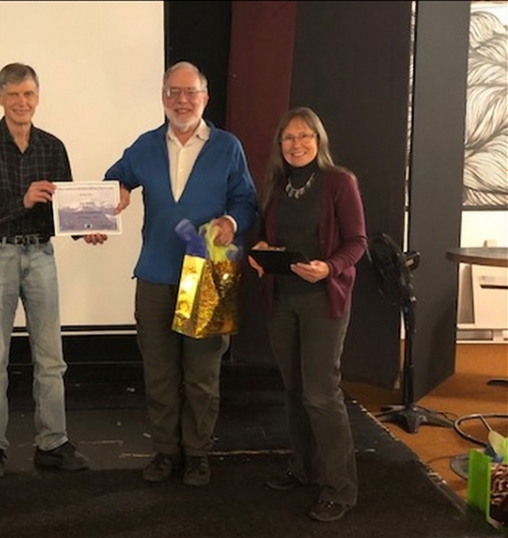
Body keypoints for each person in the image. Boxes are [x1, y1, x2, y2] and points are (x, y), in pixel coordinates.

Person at [84, 61, 258, 487]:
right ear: (163, 97)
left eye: (190, 92)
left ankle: (197, 452)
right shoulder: (145, 145)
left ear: (205, 97)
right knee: (159, 371)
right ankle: (165, 451)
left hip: (208, 275)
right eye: (173, 92)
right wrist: (115, 197)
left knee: (202, 374)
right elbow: (114, 180)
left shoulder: (227, 146)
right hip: (155, 274)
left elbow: (246, 201)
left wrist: (232, 223)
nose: (182, 100)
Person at [0, 62, 88, 480]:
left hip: (41, 256)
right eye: (13, 94)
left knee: (51, 358)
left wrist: (86, 230)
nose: (21, 102)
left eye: (29, 94)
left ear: (38, 96)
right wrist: (23, 200)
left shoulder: (53, 147)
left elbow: (63, 213)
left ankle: (53, 443)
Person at [248, 106, 367, 521]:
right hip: (281, 299)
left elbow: (357, 242)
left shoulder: (339, 182)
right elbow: (270, 236)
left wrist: (329, 268)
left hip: (323, 301)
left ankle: (340, 488)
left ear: (319, 140)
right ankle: (305, 469)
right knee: (295, 391)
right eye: (289, 138)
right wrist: (261, 251)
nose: (296, 145)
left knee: (321, 394)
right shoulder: (278, 185)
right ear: (279, 145)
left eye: (305, 137)